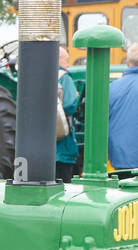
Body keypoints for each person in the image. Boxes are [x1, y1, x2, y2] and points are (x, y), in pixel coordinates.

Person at [56, 45, 80, 182]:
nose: (68, 64)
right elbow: (70, 105)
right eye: (66, 60)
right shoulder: (64, 78)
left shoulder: (37, 75)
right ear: (58, 60)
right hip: (62, 147)